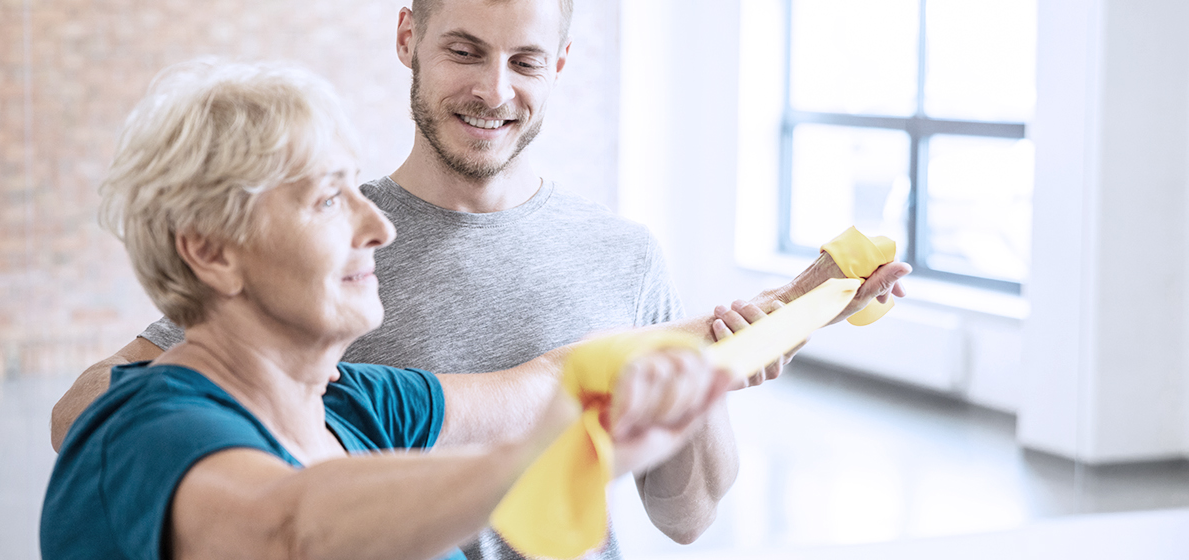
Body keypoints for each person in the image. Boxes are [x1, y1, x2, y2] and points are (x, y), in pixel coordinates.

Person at [50, 0, 910, 558]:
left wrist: (793, 315)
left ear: (558, 69)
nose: (373, 228)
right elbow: (291, 524)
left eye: (527, 62)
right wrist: (538, 461)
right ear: (408, 39)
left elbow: (562, 377)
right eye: (465, 50)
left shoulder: (363, 399)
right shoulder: (169, 414)